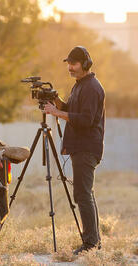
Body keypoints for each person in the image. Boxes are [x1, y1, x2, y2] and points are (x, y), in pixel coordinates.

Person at [43, 46, 105, 255]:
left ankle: (90, 244)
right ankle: (94, 241)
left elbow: (86, 120)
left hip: (87, 147)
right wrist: (56, 100)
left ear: (85, 64)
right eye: (68, 63)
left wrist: (56, 112)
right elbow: (71, 109)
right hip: (81, 147)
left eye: (74, 64)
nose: (69, 67)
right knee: (85, 194)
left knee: (82, 194)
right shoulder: (79, 85)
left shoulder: (92, 88)